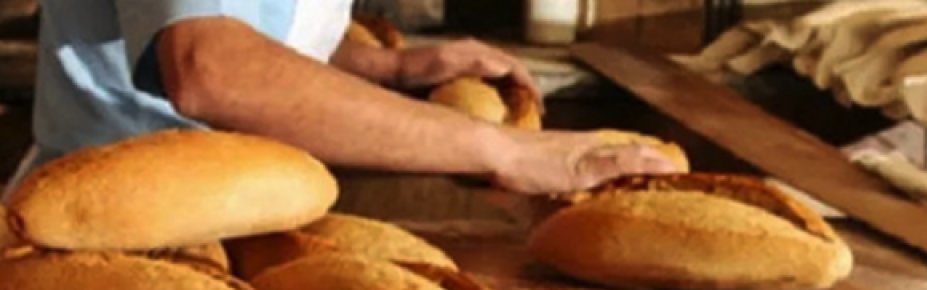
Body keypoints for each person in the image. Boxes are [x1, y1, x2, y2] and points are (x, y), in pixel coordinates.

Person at [9, 1, 679, 198]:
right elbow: (208, 65)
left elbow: (260, 27)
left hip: (236, 209)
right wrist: (501, 150)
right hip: (109, 229)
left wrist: (385, 68)